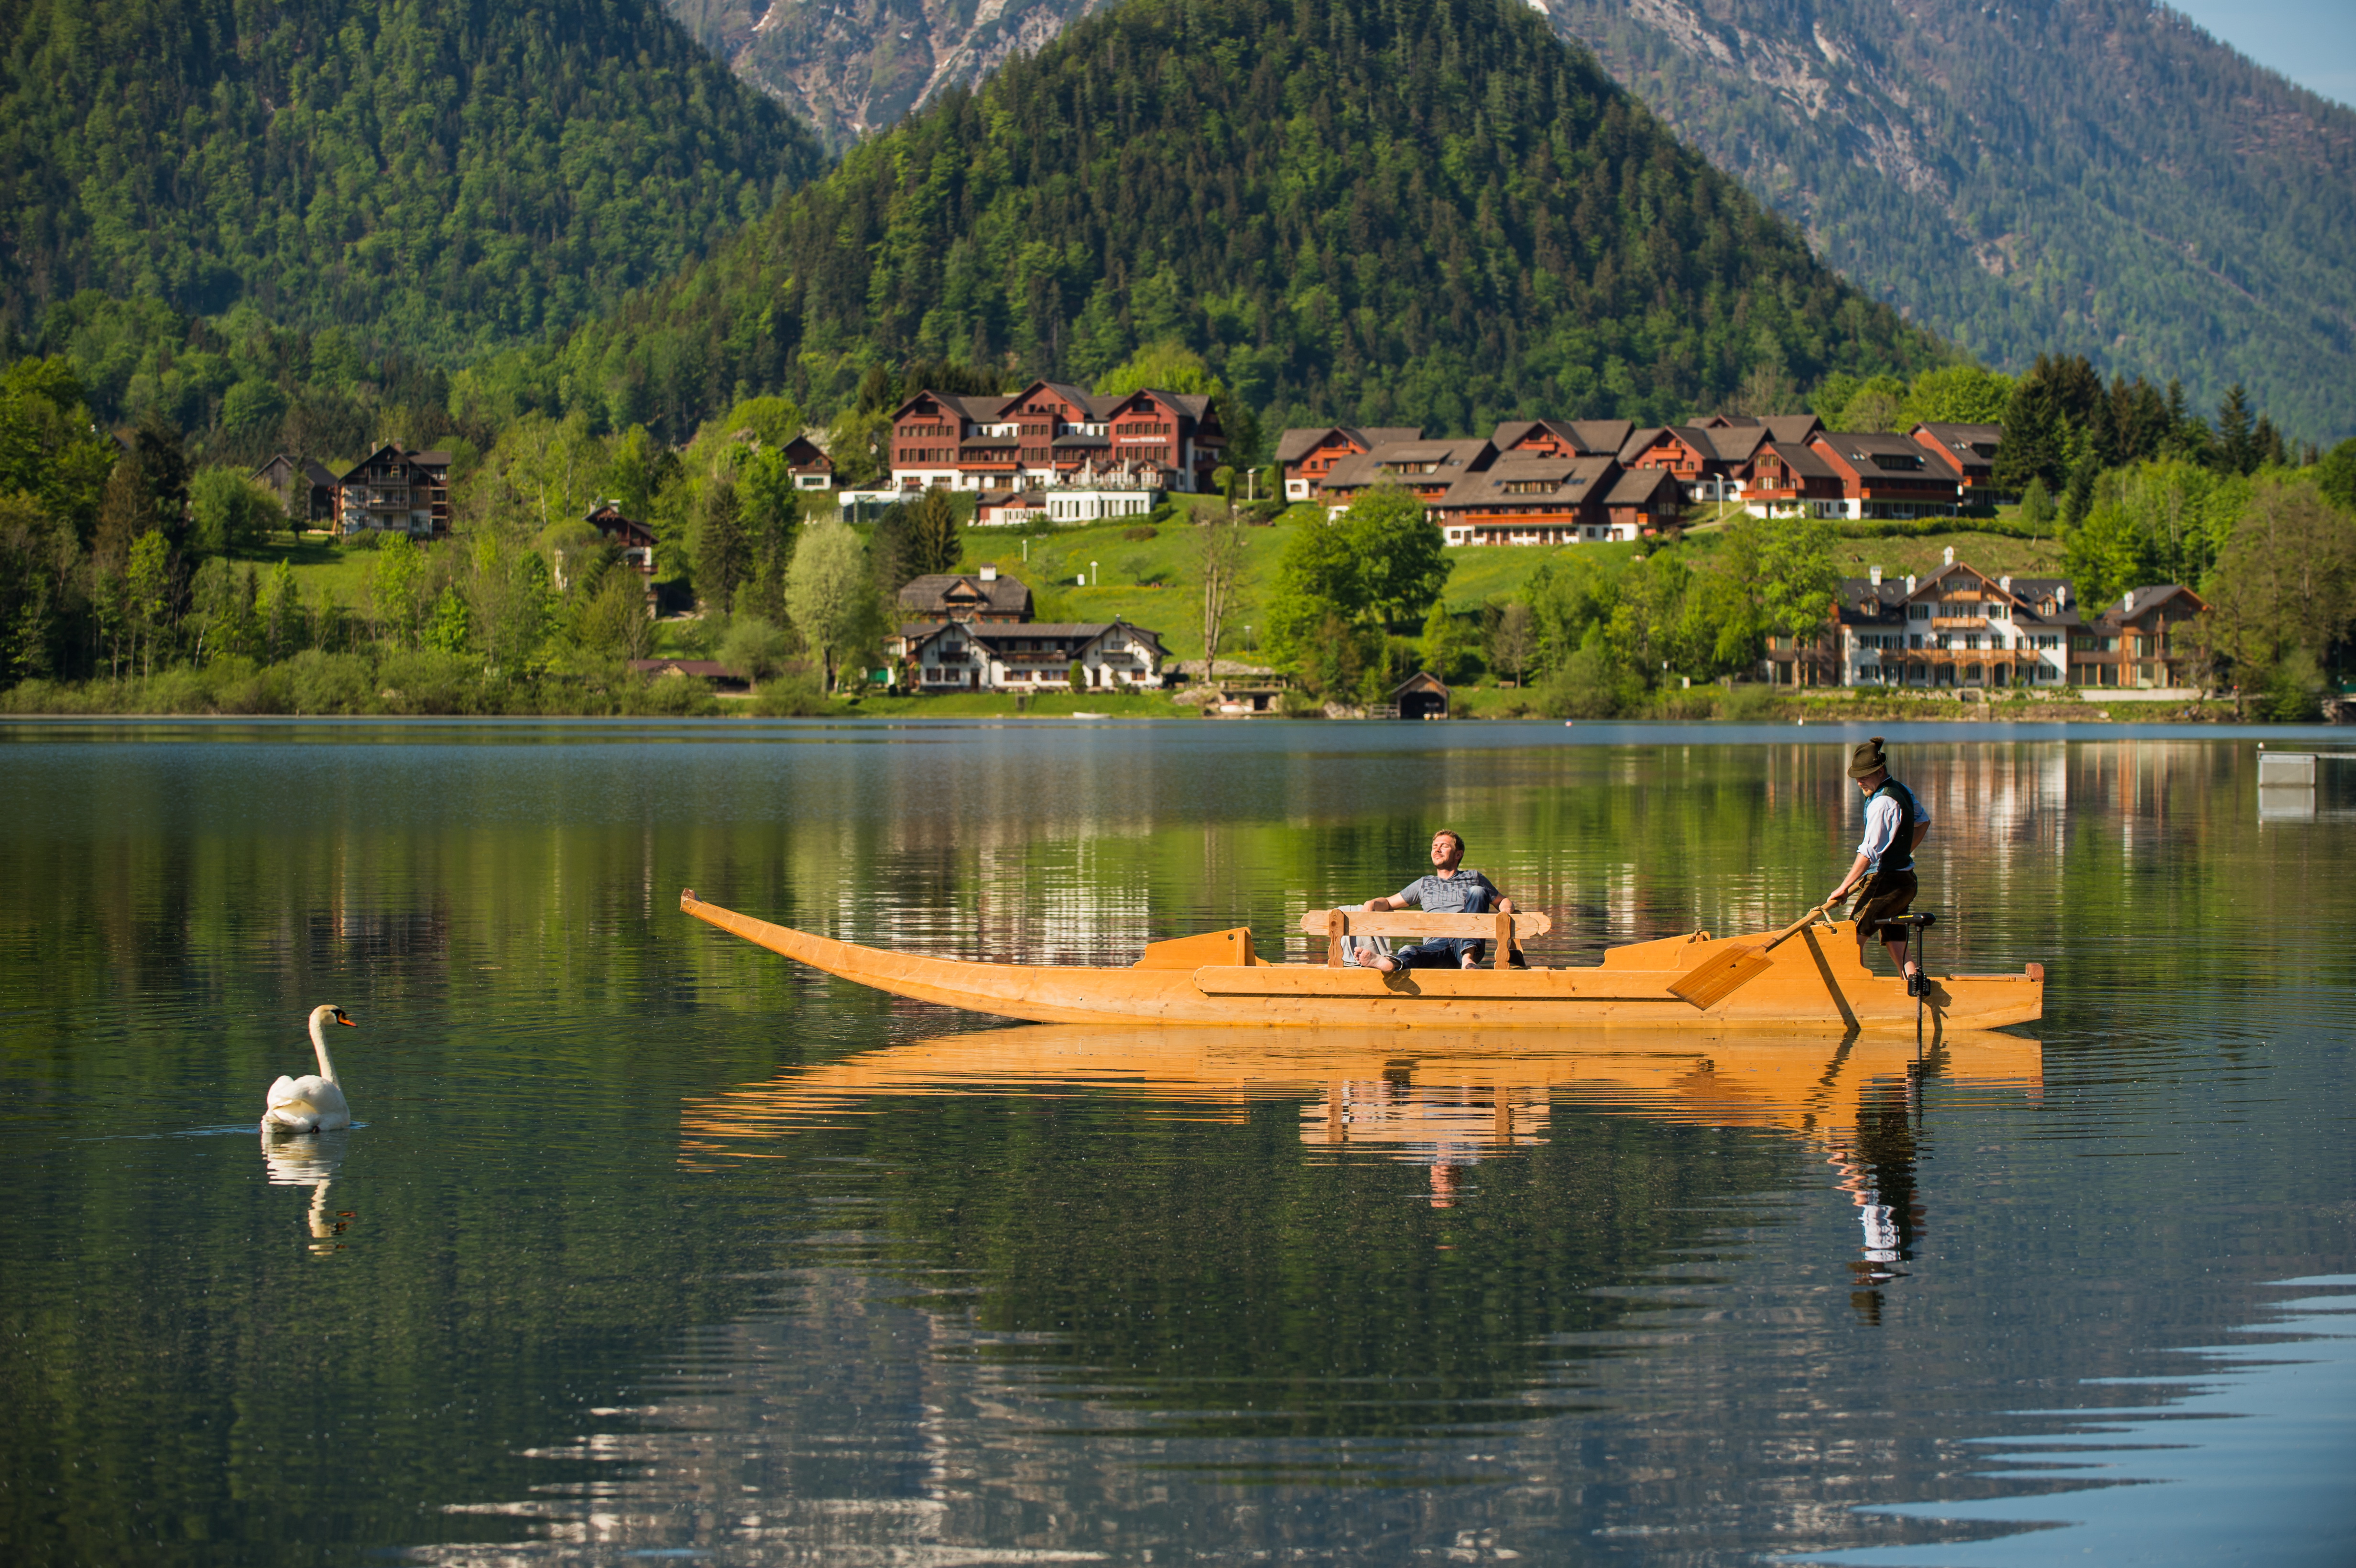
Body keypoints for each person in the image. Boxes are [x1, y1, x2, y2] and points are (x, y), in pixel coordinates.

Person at [1825, 736, 1931, 995]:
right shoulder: (1901, 790)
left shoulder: (1883, 803)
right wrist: (1902, 854)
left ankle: (1855, 994)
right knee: (1896, 941)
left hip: (1886, 882)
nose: (1860, 781)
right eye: (1857, 777)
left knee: (1850, 940)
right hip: (1905, 881)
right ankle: (1917, 986)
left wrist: (1843, 888)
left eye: (1866, 775)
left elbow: (1869, 852)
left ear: (1881, 771)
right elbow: (1923, 822)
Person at [1361, 830, 1518, 971]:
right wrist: (1372, 903)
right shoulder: (1424, 883)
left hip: (1465, 942)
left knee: (1477, 891)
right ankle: (1392, 963)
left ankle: (1467, 958)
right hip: (1436, 948)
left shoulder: (1474, 877)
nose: (1437, 849)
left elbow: (1504, 902)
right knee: (1412, 950)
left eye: (1444, 846)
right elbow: (1388, 903)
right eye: (1435, 846)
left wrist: (1505, 913)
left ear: (1458, 855)